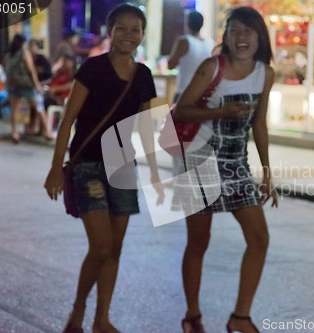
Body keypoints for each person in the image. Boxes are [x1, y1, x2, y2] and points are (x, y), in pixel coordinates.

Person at [44, 4, 164, 333]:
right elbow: (68, 119)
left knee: (116, 247)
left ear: (142, 35)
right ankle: (78, 310)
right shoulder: (92, 69)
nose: (128, 35)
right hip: (88, 166)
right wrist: (56, 168)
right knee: (102, 245)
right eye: (121, 28)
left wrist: (154, 171)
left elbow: (145, 128)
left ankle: (102, 318)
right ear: (109, 33)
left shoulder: (143, 75)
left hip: (123, 167)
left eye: (135, 29)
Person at [173, 7, 278, 333]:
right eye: (234, 31)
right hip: (198, 163)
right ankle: (192, 315)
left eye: (248, 31)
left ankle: (240, 317)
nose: (241, 38)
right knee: (199, 242)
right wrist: (222, 112)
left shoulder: (265, 73)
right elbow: (180, 112)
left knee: (259, 238)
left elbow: (259, 123)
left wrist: (267, 172)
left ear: (259, 37)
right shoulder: (212, 67)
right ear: (226, 36)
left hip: (236, 165)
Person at [167, 10, 214, 176]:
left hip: (183, 93)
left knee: (177, 134)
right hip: (203, 95)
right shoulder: (210, 43)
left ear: (187, 23)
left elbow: (170, 64)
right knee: (198, 134)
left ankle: (179, 171)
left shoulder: (183, 41)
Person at [4, 34, 51, 143]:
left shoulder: (9, 53)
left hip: (13, 84)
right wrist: (37, 85)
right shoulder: (24, 52)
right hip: (26, 85)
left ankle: (14, 133)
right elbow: (31, 70)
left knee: (14, 110)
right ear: (23, 42)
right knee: (39, 108)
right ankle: (47, 132)